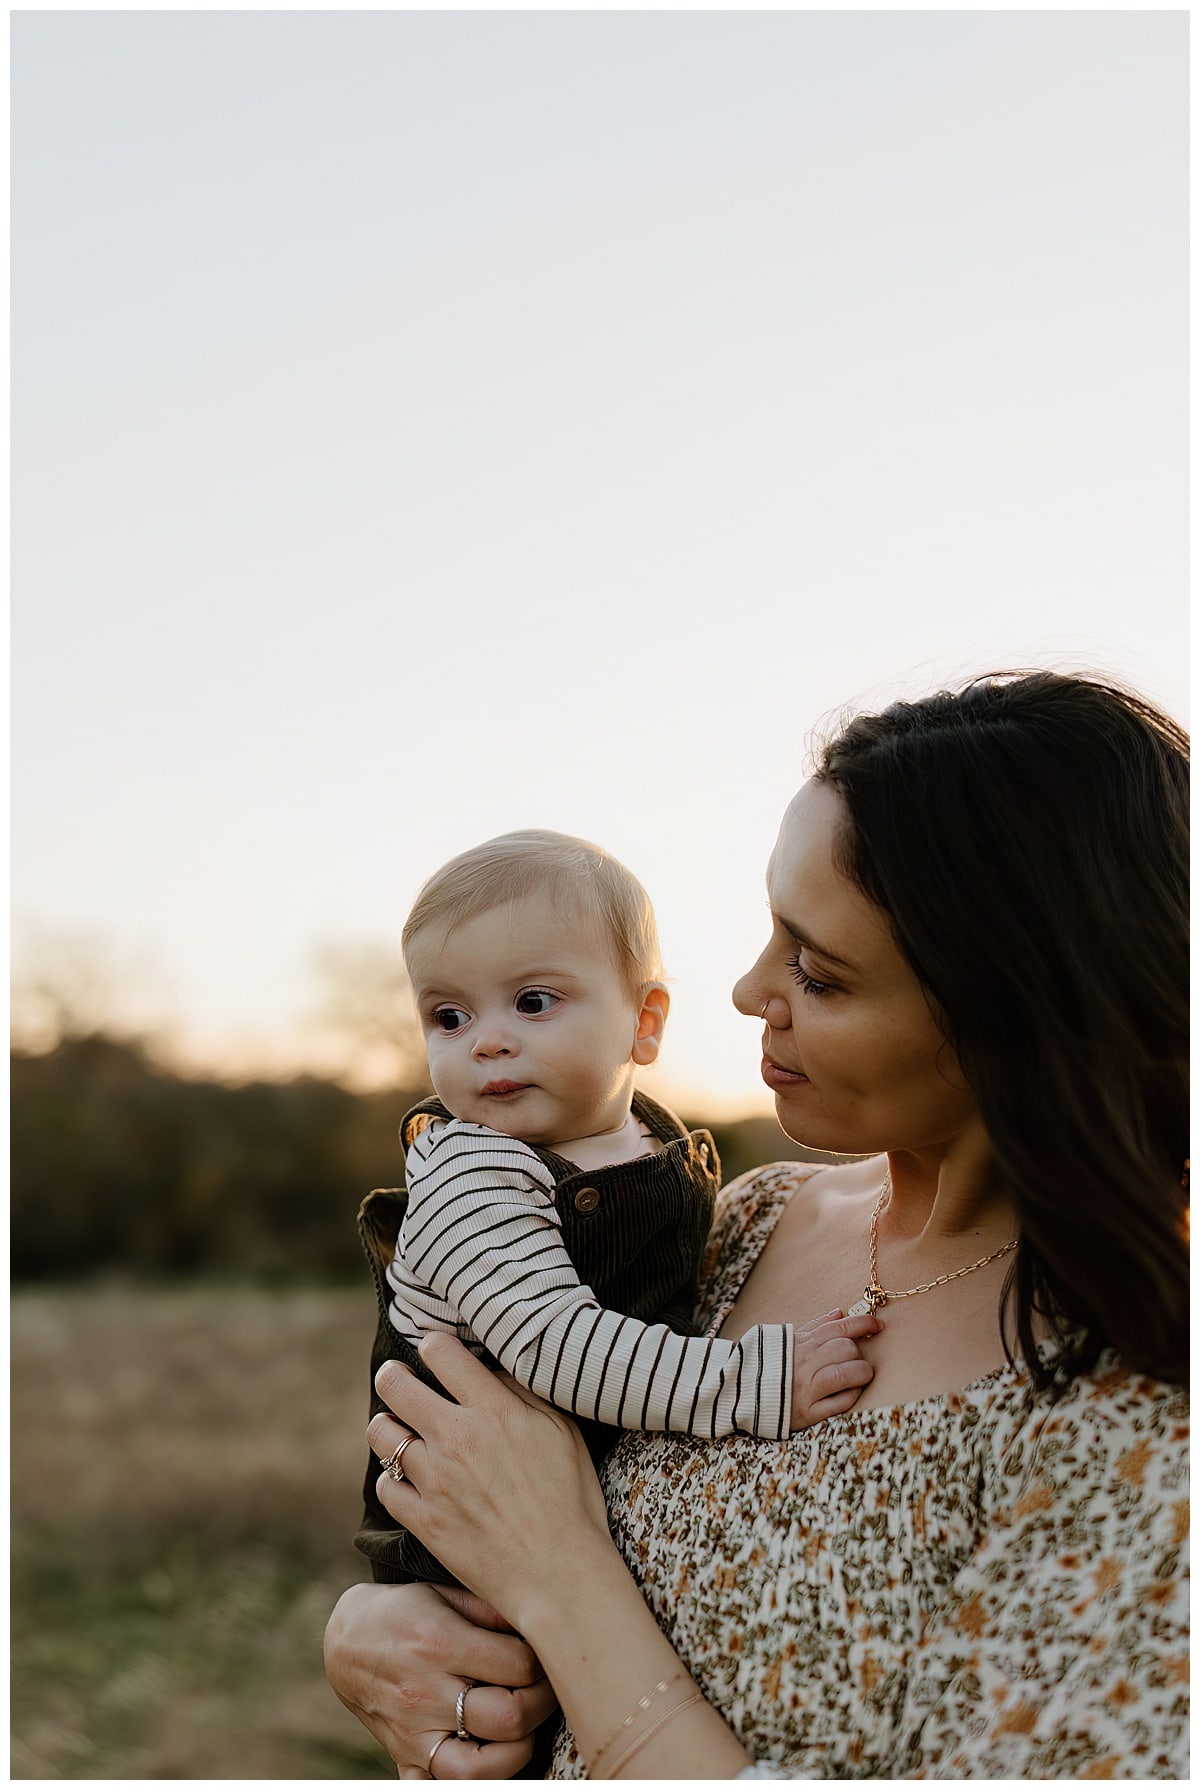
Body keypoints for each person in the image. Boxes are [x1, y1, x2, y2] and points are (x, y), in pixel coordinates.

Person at [326, 670, 1189, 1780]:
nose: (744, 989)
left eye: (819, 973)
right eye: (773, 930)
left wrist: (557, 1568)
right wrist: (376, 1640)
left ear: (1013, 1021)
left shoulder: (1132, 1415)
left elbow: (543, 1536)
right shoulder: (739, 1220)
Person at [357, 830, 880, 1586]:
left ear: (644, 1022)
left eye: (533, 1003)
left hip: (580, 1518)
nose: (488, 1042)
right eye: (448, 1017)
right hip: (463, 1552)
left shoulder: (648, 1142)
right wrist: (753, 1381)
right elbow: (555, 1344)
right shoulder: (472, 1173)